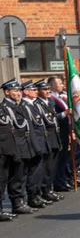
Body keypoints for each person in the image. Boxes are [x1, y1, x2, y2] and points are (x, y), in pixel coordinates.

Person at [0, 79, 34, 218]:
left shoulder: (20, 107)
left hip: (18, 147)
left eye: (19, 90)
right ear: (7, 92)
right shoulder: (3, 109)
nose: (18, 93)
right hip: (5, 149)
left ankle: (17, 204)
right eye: (14, 90)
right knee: (2, 180)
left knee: (17, 177)